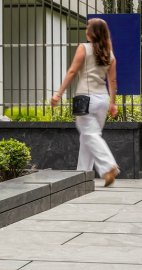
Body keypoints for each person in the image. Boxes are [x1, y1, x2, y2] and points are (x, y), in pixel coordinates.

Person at [51, 18, 119, 186]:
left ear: (92, 33)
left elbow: (73, 71)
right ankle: (82, 175)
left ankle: (109, 166)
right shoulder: (109, 54)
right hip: (103, 100)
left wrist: (59, 94)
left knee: (90, 135)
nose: (86, 30)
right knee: (87, 138)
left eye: (88, 27)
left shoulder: (84, 48)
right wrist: (113, 103)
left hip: (86, 99)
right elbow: (112, 81)